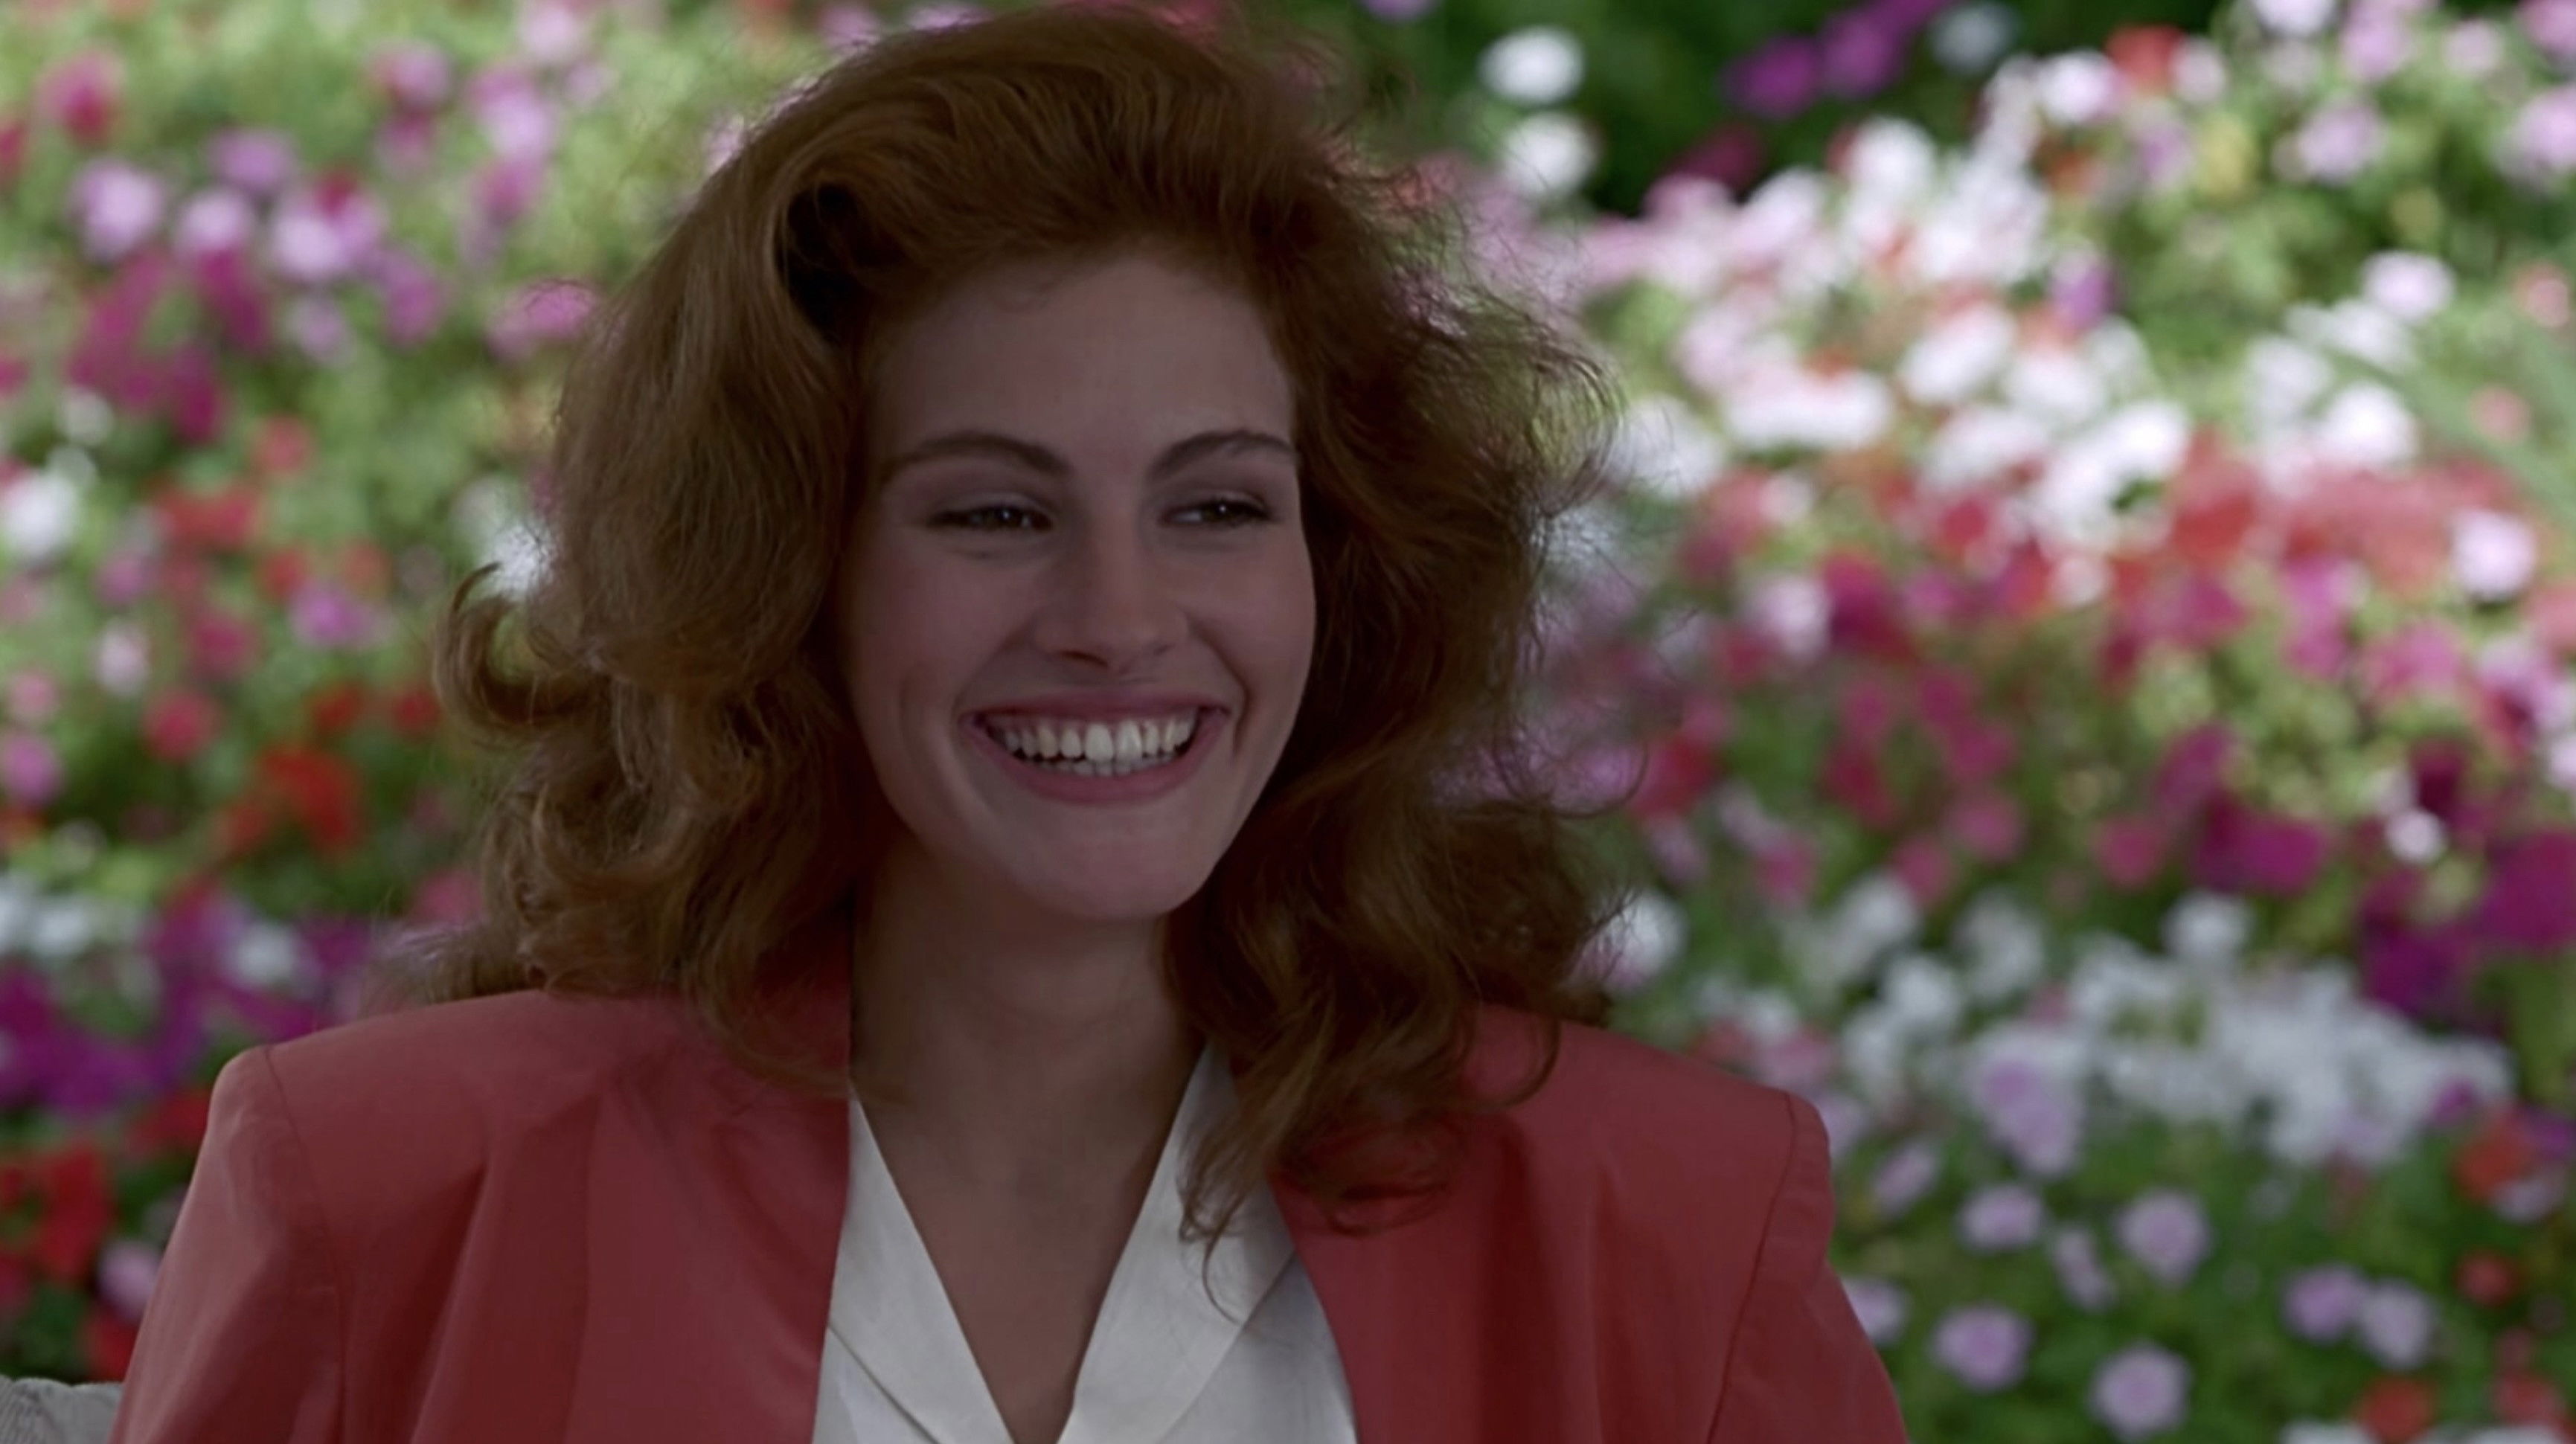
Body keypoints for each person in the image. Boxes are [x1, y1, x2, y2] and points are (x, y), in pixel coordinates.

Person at [103, 4, 1908, 1443]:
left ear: (1340, 564)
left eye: (1217, 504)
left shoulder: (1672, 1228)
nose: (1120, 619)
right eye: (994, 511)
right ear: (794, 570)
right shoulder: (384, 1197)